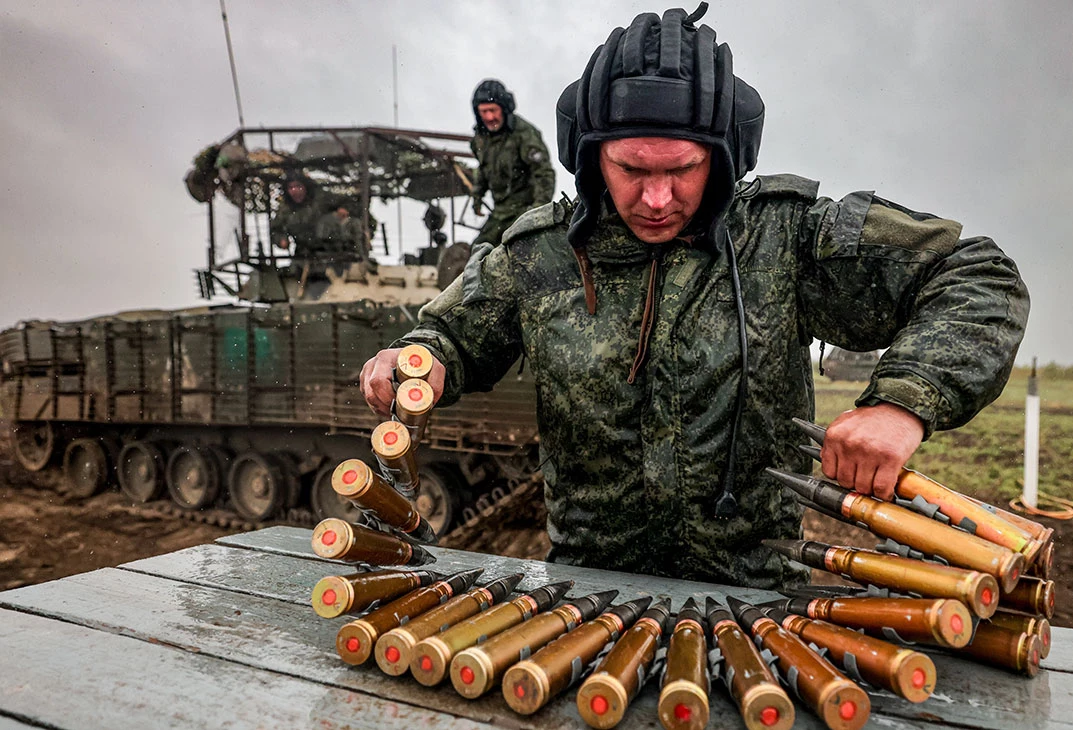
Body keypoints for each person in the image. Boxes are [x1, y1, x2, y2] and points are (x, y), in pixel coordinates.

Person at [359, 5, 1029, 591]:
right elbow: (448, 336)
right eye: (631, 170)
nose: (656, 198)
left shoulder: (785, 237)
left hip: (758, 600)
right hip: (589, 598)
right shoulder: (542, 255)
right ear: (591, 158)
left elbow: (977, 276)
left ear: (724, 155)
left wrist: (900, 403)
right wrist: (417, 357)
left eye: (681, 170)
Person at [468, 79, 556, 246]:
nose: (489, 117)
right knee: (479, 252)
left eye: (493, 110)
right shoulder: (480, 140)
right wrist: (477, 195)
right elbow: (483, 169)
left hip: (524, 210)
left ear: (504, 108)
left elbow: (544, 174)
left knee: (518, 251)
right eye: (484, 111)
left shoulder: (524, 134)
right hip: (500, 213)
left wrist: (537, 213)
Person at [271, 170, 367, 261]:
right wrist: (281, 240)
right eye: (290, 187)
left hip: (333, 252)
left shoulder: (321, 198)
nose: (294, 190)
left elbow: (350, 202)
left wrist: (345, 208)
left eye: (298, 186)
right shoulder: (286, 208)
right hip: (304, 254)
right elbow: (275, 229)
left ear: (305, 186)